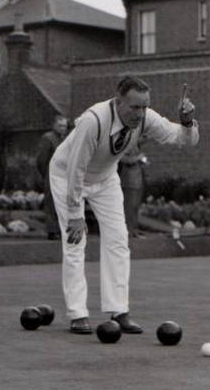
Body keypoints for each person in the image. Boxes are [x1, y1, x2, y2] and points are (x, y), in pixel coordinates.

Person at [49, 76, 198, 334]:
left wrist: (186, 122)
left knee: (118, 239)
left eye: (144, 107)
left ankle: (119, 311)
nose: (140, 114)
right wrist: (75, 214)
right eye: (135, 107)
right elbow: (76, 168)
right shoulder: (93, 121)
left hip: (105, 177)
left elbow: (183, 139)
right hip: (67, 175)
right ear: (118, 102)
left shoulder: (145, 118)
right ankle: (77, 313)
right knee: (75, 241)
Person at [36, 115, 68, 240]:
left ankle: (61, 229)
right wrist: (46, 174)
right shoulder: (48, 138)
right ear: (54, 125)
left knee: (62, 203)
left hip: (64, 175)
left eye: (65, 126)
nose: (63, 128)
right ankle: (52, 230)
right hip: (52, 174)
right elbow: (41, 159)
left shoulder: (65, 139)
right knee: (51, 203)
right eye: (60, 125)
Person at [118, 142, 147, 238]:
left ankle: (134, 229)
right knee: (129, 207)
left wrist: (143, 161)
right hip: (129, 181)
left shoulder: (137, 144)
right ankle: (128, 230)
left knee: (135, 207)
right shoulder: (124, 144)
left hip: (138, 179)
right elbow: (122, 159)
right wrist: (137, 158)